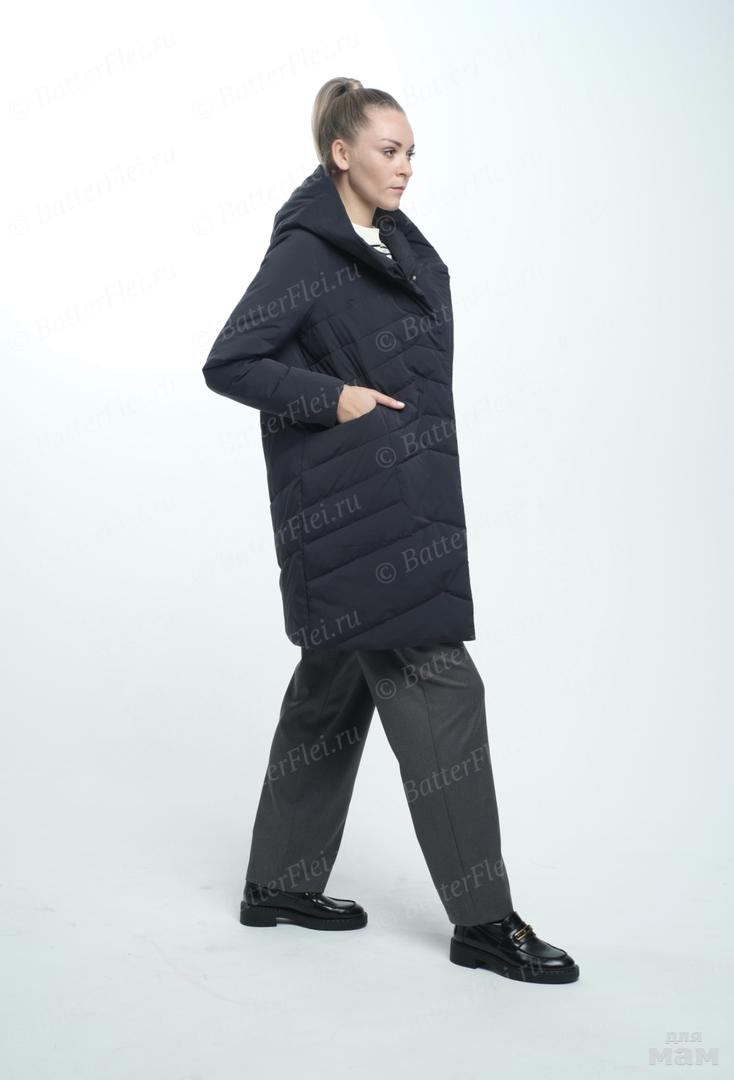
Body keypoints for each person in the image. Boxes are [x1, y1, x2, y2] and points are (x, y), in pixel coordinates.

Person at [202, 77, 579, 984]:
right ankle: (484, 923)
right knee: (442, 689)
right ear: (342, 153)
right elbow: (231, 360)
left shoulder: (391, 245)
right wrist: (335, 398)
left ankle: (279, 884)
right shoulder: (309, 251)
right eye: (388, 149)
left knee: (331, 688)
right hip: (358, 521)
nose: (406, 166)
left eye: (411, 152)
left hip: (390, 507)